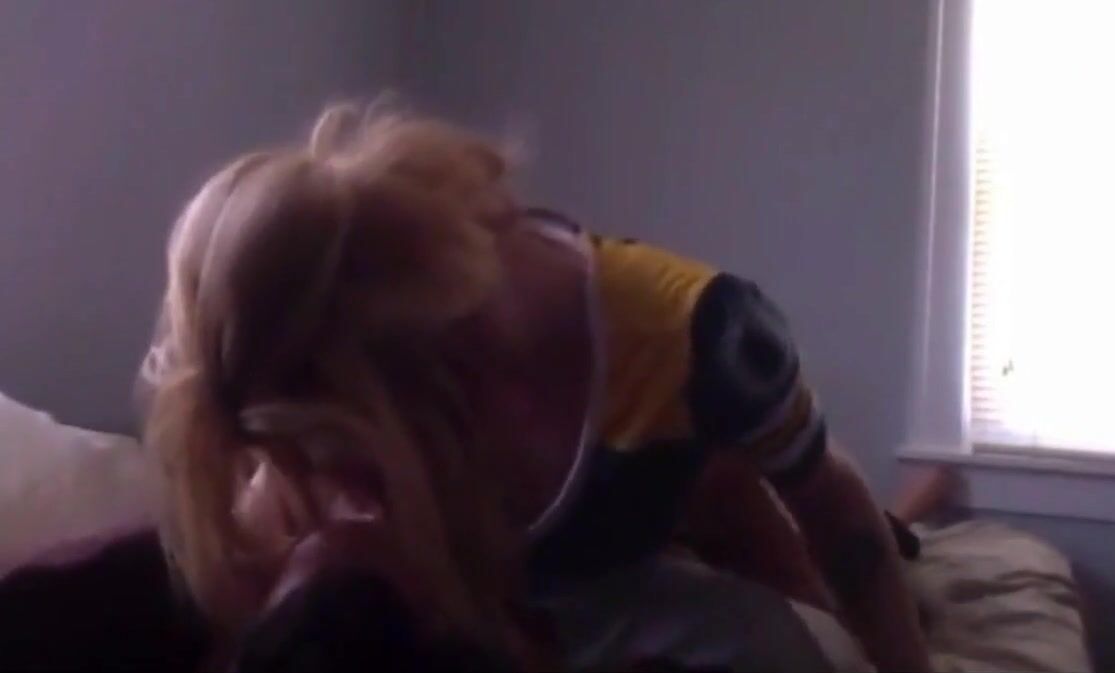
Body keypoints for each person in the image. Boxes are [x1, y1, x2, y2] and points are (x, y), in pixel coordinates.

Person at [140, 102, 932, 671]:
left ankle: (910, 521)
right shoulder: (300, 427)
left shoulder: (697, 342)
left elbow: (828, 504)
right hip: (540, 594)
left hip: (684, 510)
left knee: (798, 582)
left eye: (348, 466)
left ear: (437, 360)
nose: (344, 501)